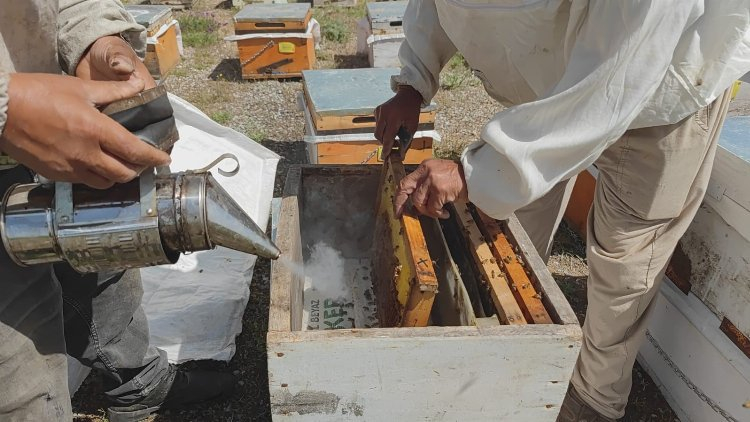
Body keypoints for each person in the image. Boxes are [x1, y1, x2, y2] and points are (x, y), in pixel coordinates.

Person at [374, 2, 750, 421]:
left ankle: (593, 401)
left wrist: (472, 172)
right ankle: (510, 337)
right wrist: (413, 81)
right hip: (551, 82)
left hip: (663, 83)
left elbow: (620, 76)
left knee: (626, 257)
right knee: (509, 219)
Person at [0, 1, 234, 421]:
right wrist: (6, 107)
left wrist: (95, 37)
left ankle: (138, 384)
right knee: (17, 370)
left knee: (104, 253)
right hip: (21, 114)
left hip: (55, 113)